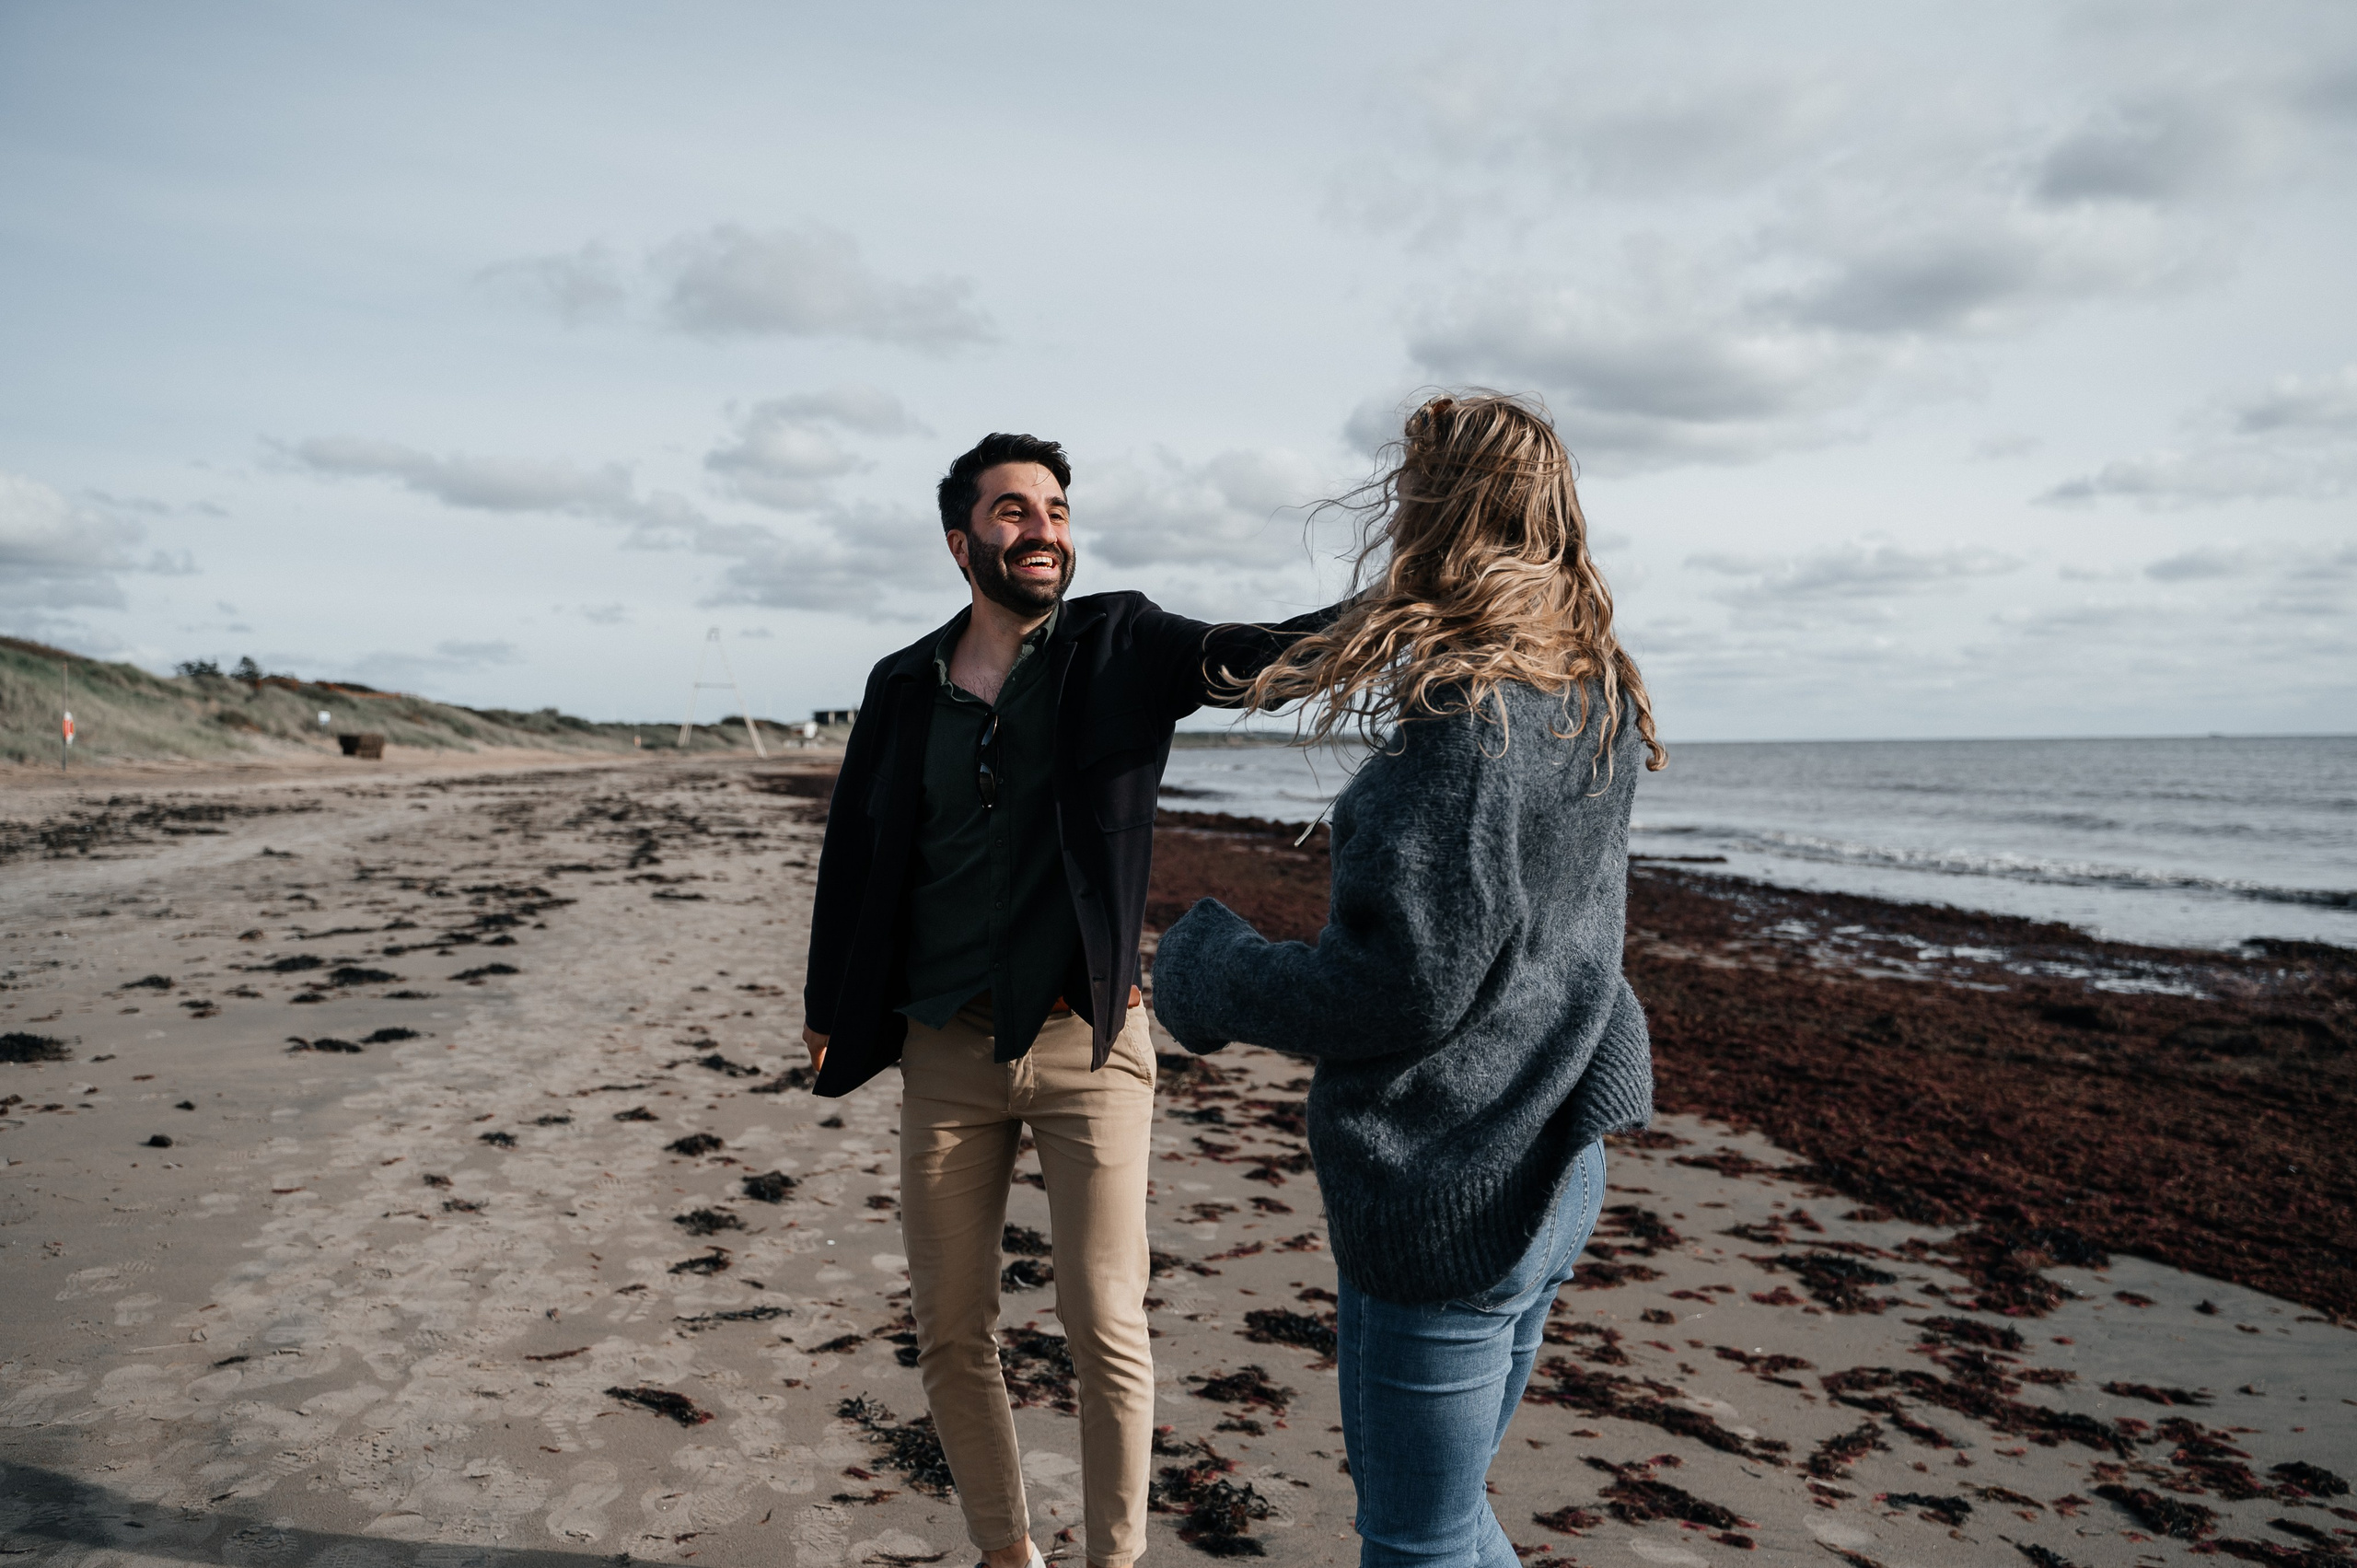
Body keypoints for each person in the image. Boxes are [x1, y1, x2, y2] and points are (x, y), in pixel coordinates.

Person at [799, 432, 1341, 1568]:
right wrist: (826, 1001)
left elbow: (1259, 657)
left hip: (1088, 1045)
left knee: (1105, 1325)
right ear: (962, 542)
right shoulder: (903, 684)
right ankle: (1009, 1553)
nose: (1040, 529)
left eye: (1052, 509)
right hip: (944, 1047)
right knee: (952, 1330)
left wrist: (1409, 595)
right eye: (1011, 512)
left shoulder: (1119, 644)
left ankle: (1114, 1557)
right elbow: (855, 852)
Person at [1149, 392, 1666, 1568]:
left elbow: (1398, 991)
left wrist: (1211, 969)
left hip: (1457, 1187)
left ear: (1430, 510)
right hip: (1554, 1161)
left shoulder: (1468, 716)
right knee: (1448, 1520)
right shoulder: (1589, 694)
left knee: (1416, 1541)